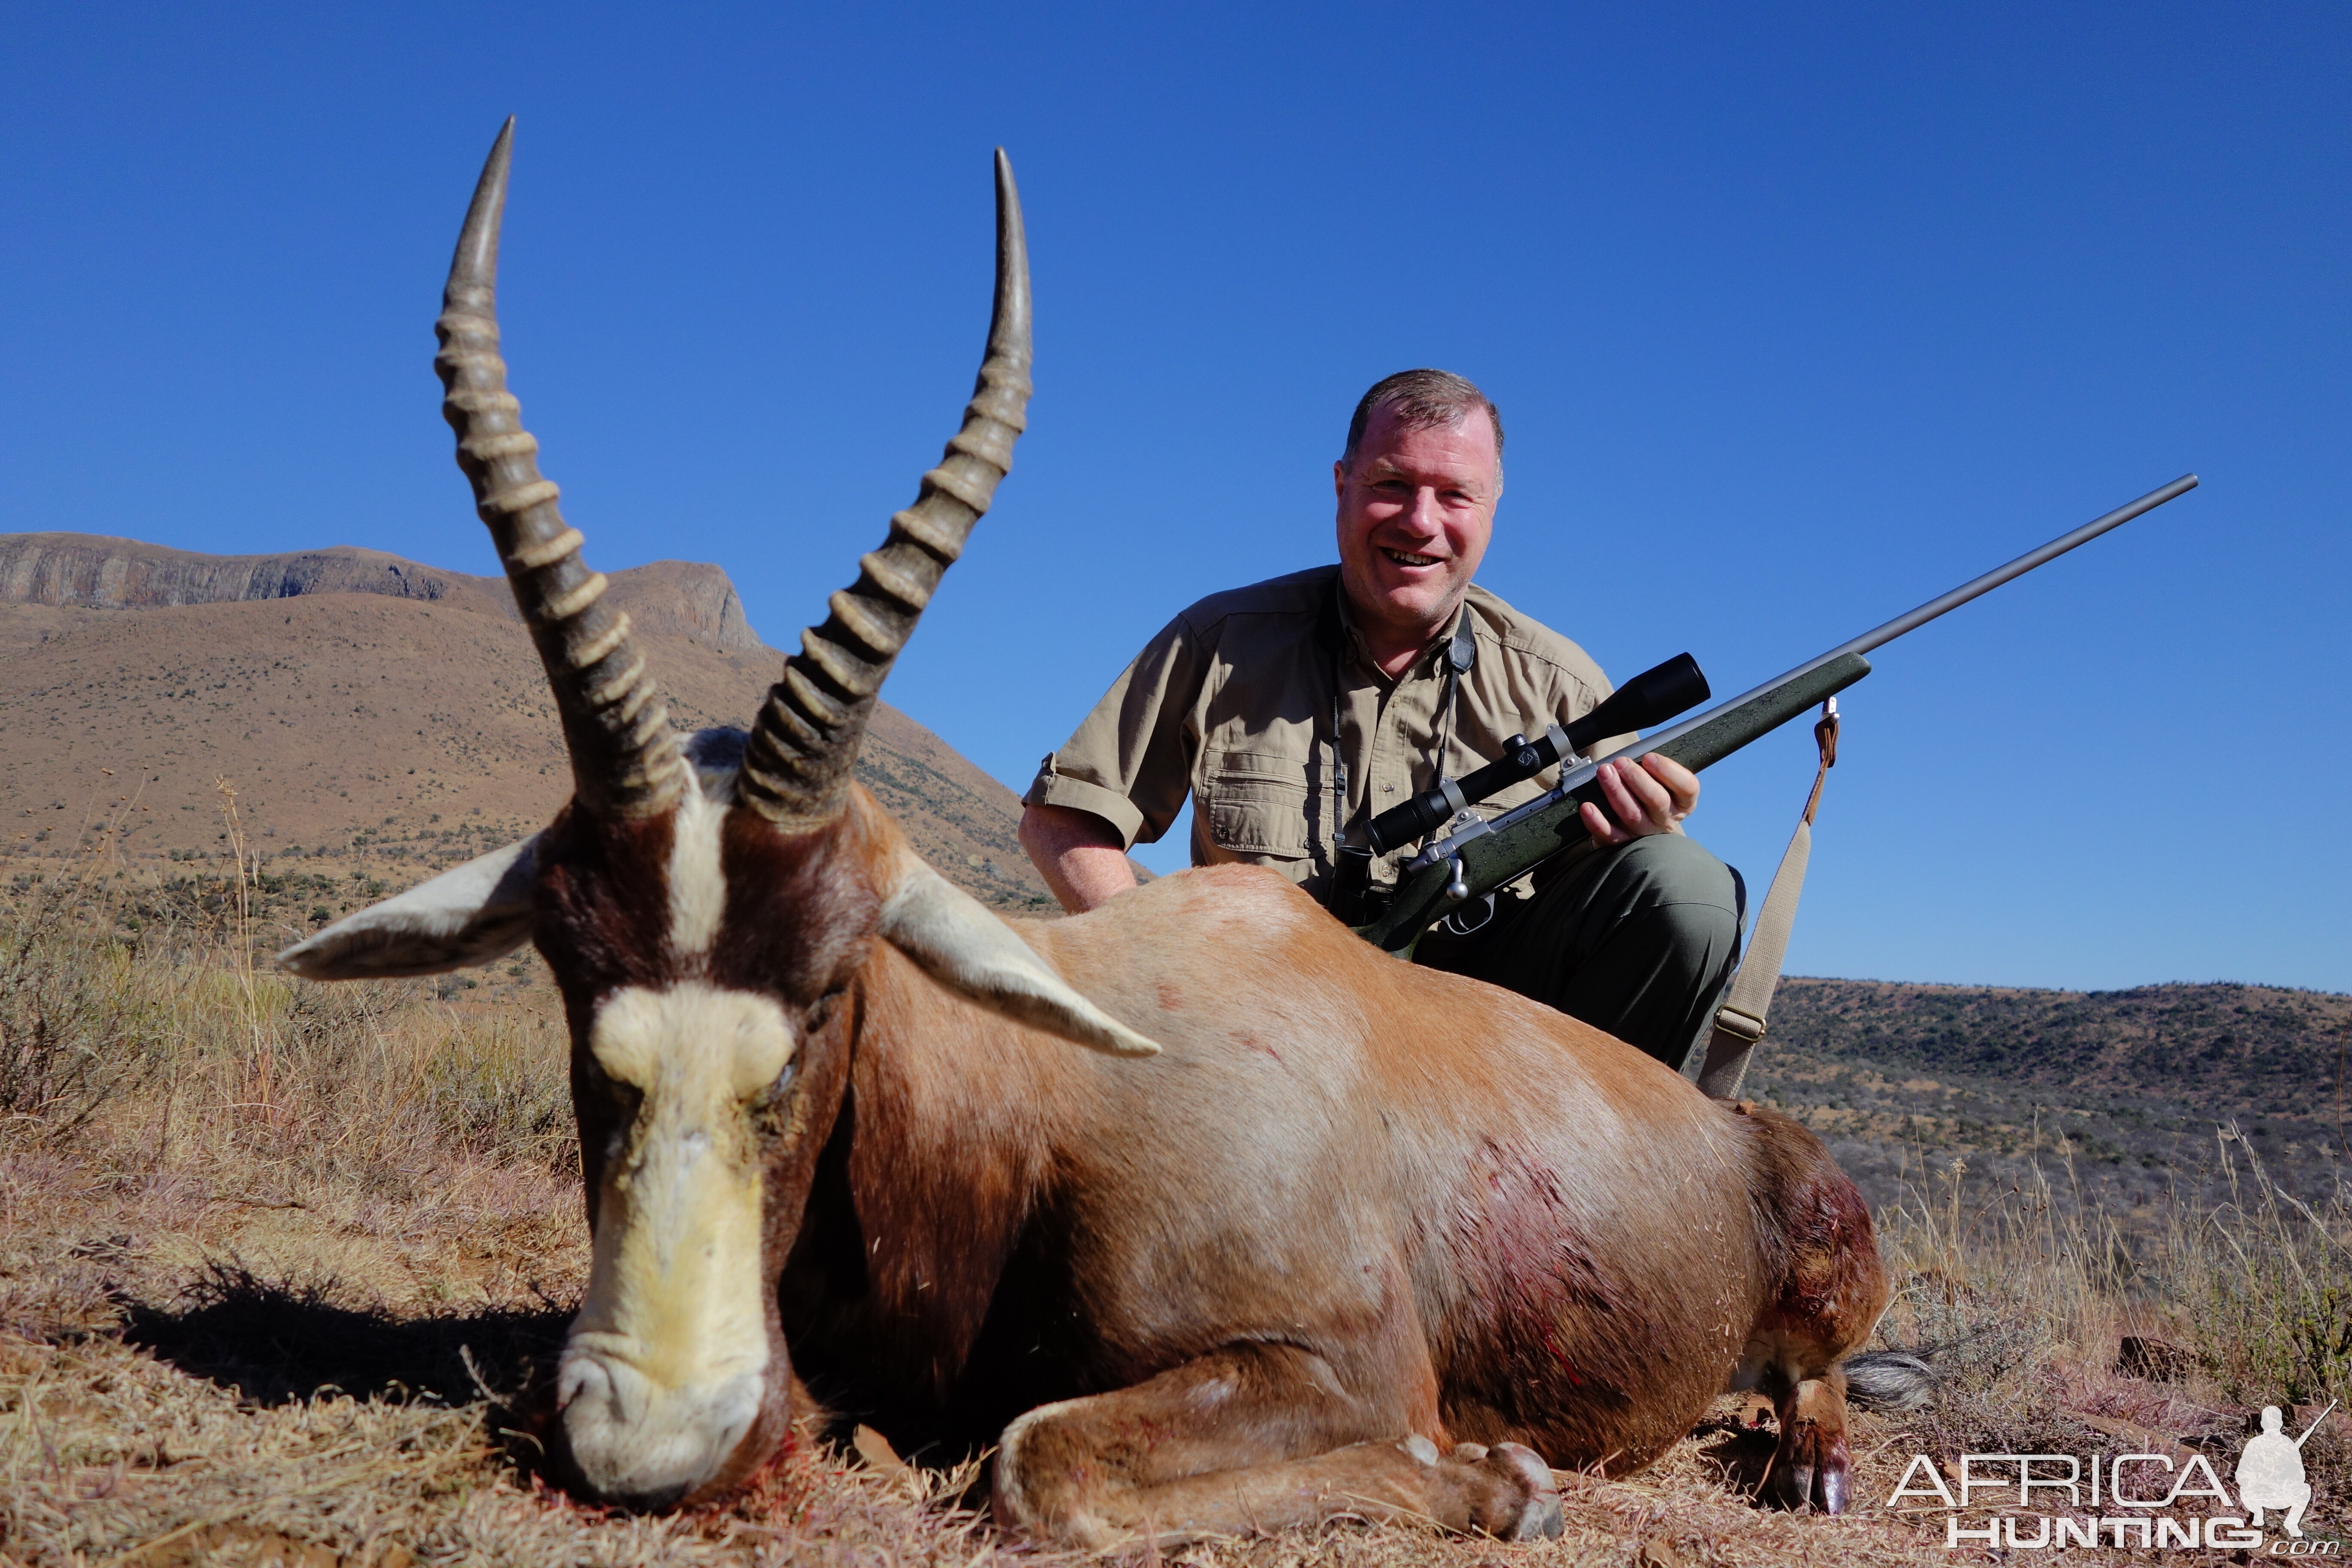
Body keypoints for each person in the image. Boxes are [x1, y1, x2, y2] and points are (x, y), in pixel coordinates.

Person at [1019, 369, 1742, 1071]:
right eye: (1392, 484)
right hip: (1262, 1049)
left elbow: (1636, 896)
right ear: (1342, 485)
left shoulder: (1566, 686)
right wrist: (1169, 981)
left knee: (1685, 885)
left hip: (1486, 1057)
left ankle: (1593, 1185)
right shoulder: (1221, 639)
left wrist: (1646, 826)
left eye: (1455, 495)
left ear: (1491, 508)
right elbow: (1063, 822)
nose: (1419, 521)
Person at [2236, 1405, 2314, 1537]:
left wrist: (2285, 1473)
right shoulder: (2255, 1444)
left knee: (2305, 1489)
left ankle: (2292, 1523)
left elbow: (2300, 1475)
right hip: (2259, 1493)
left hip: (2282, 1492)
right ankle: (2258, 1514)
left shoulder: (2288, 1444)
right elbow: (2242, 1474)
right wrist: (2259, 1478)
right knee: (2245, 1489)